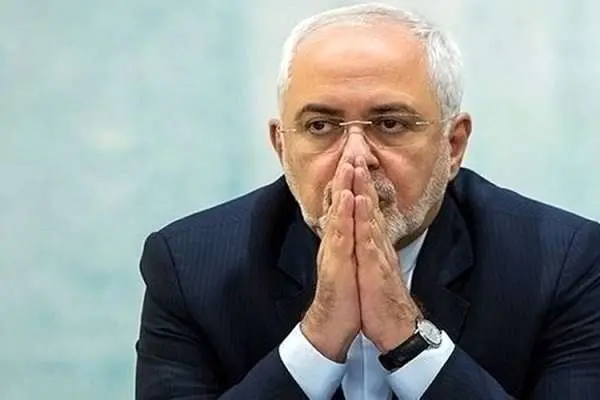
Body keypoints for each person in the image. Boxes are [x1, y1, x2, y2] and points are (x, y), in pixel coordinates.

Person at [134, 3, 600, 399]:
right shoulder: (188, 267)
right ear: (281, 146)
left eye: (390, 124)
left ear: (453, 145)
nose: (355, 158)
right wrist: (316, 340)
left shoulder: (564, 263)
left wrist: (406, 335)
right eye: (320, 126)